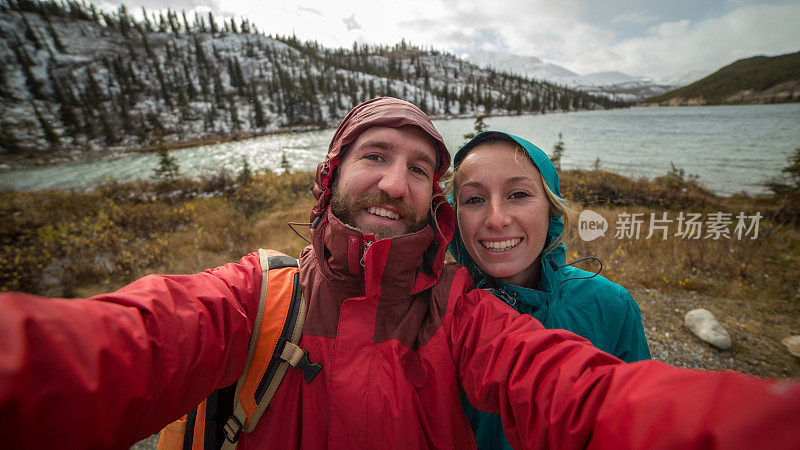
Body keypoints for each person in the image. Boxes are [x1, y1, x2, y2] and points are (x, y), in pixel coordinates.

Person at [1, 97, 799, 450]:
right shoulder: (253, 299)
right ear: (331, 174)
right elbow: (102, 352)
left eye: (420, 168)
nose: (393, 182)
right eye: (375, 156)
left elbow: (588, 395)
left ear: (431, 202)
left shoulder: (462, 313)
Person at [448, 131, 651, 449]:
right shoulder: (441, 312)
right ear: (455, 217)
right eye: (474, 199)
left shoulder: (612, 306)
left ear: (551, 209)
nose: (496, 219)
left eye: (518, 194)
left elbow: (637, 424)